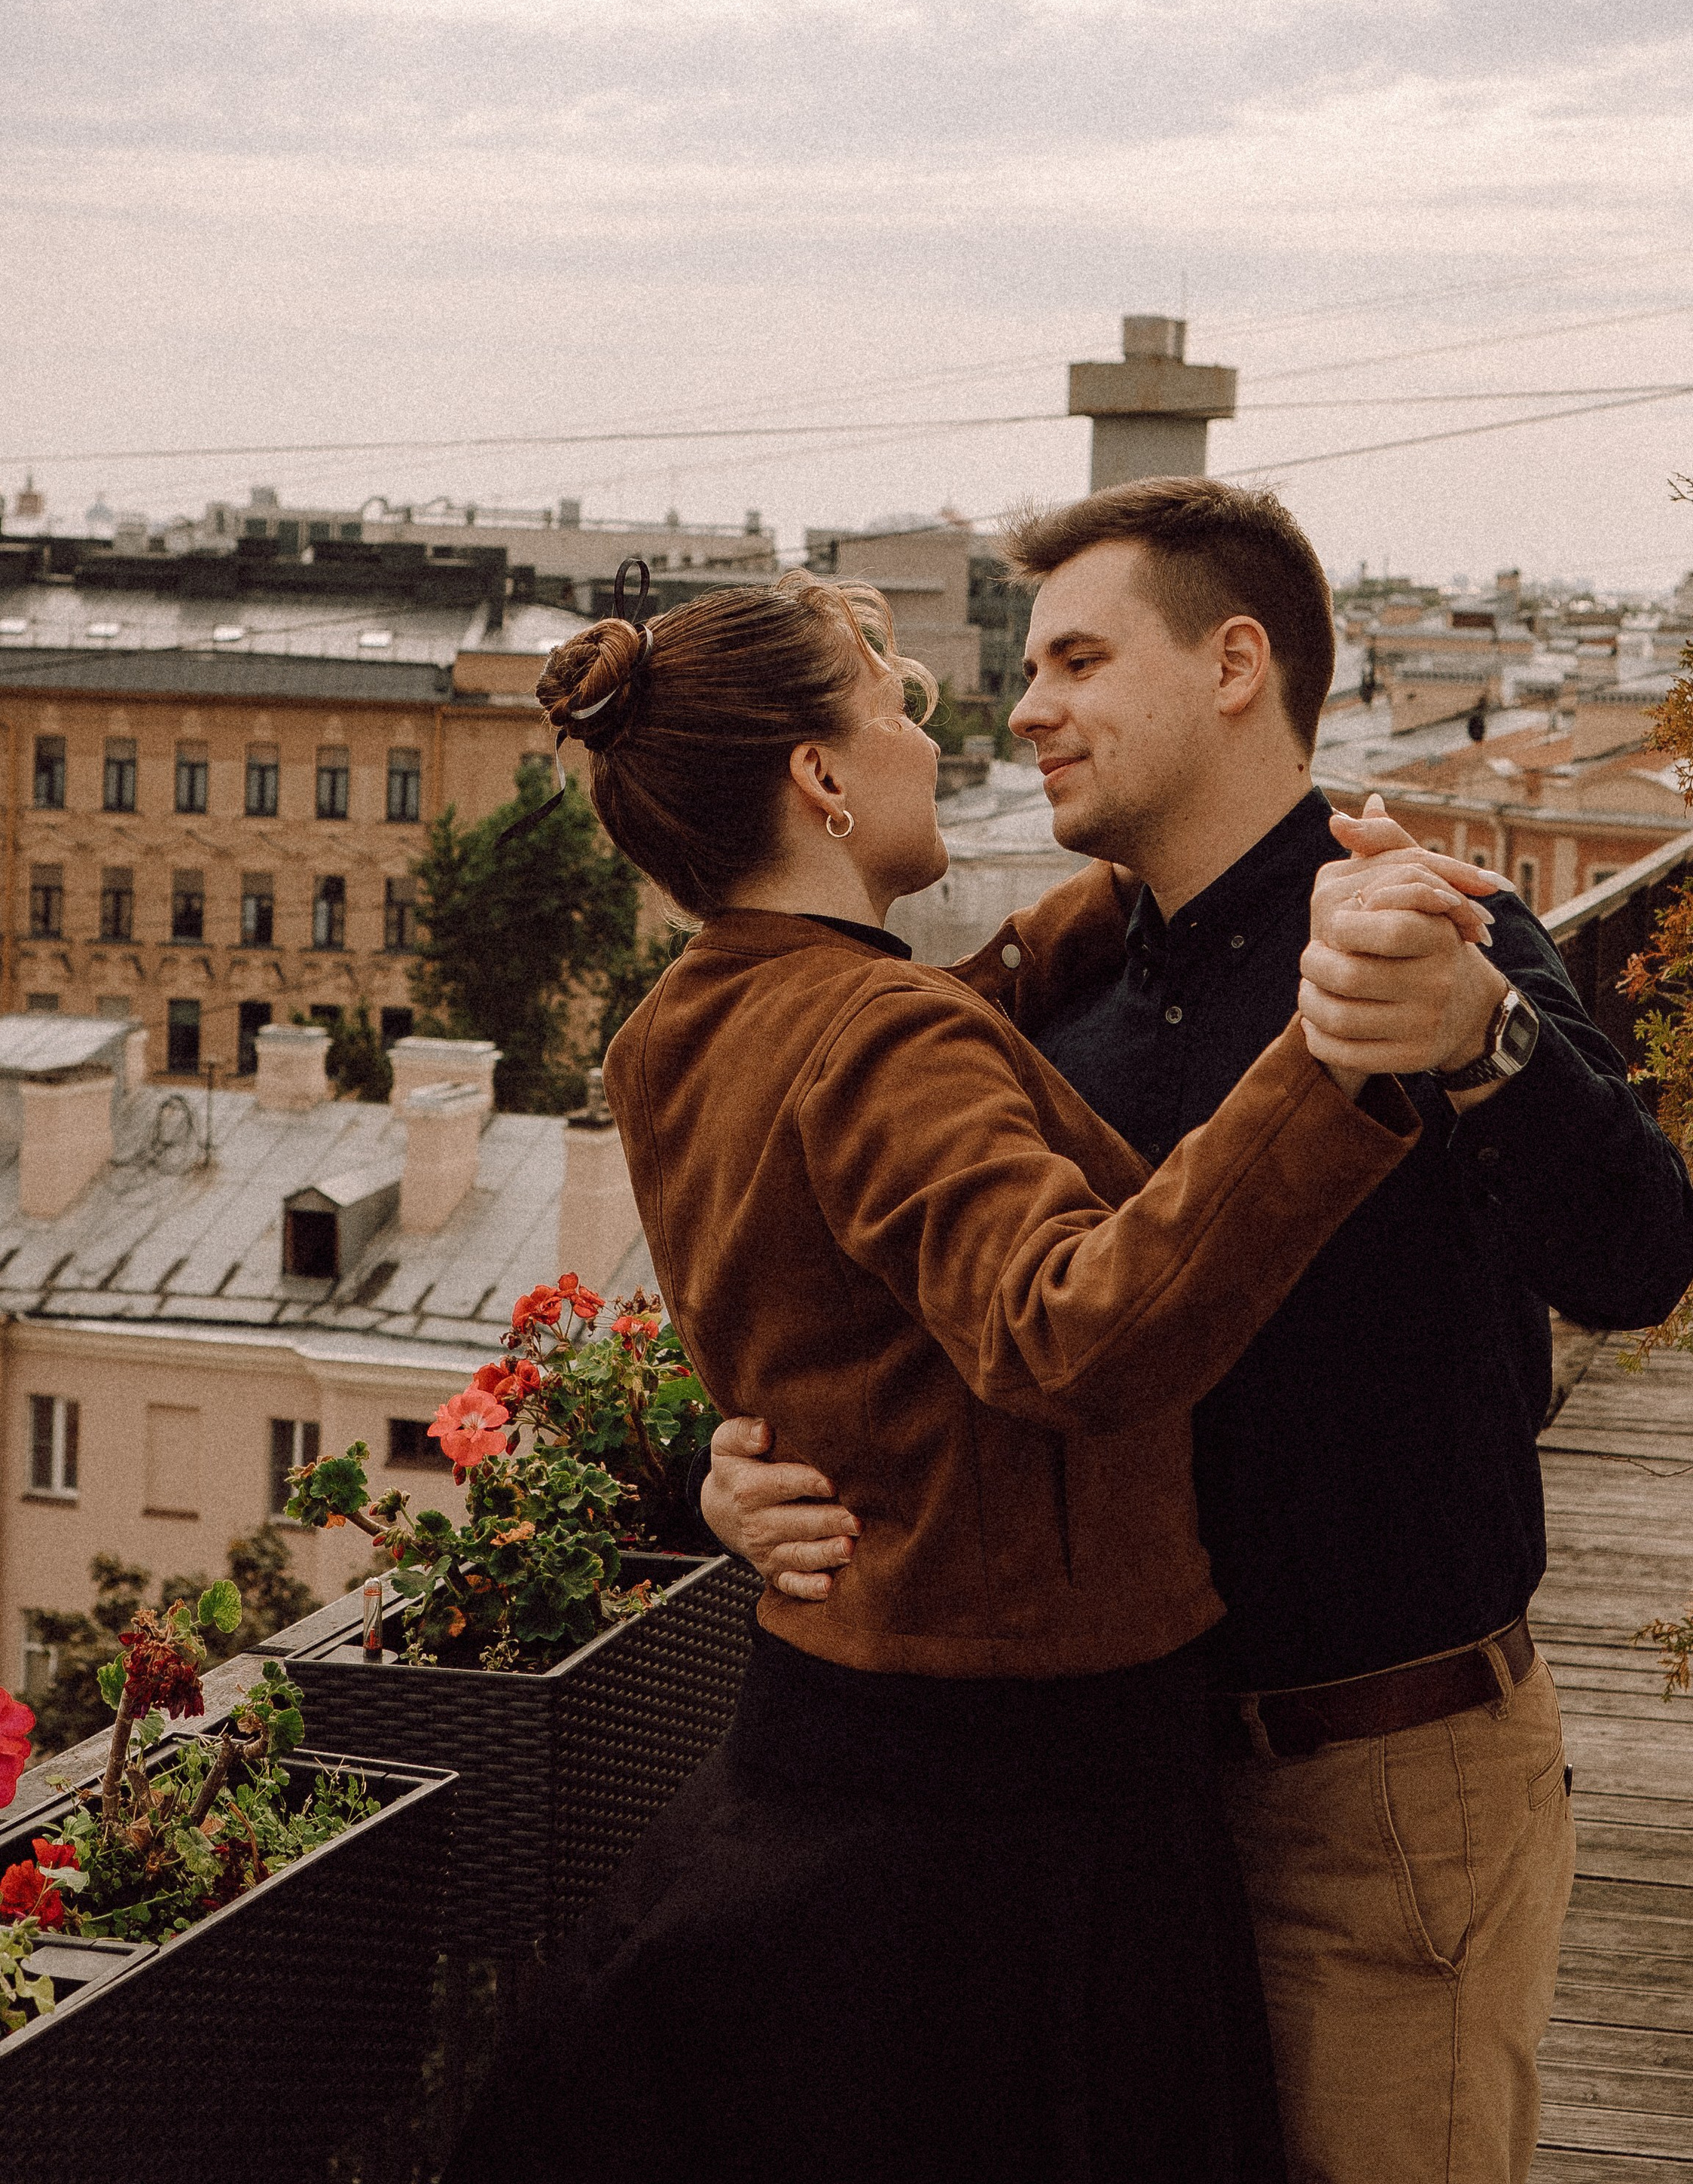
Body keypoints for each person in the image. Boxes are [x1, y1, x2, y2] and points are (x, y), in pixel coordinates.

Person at [702, 481, 1693, 2184]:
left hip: (1375, 1797)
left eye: (1078, 660)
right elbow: (935, 1322)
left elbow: (1641, 1258)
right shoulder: (1071, 997)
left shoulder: (1418, 926)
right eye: (1030, 671)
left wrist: (1481, 1041)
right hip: (1105, 1817)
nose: (1025, 711)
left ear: (1233, 663)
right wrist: (726, 1476)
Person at [453, 564, 1493, 2184]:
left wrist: (1109, 904)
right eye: (897, 711)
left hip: (822, 1747)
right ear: (819, 778)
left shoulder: (678, 1026)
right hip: (1023, 1806)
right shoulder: (880, 1038)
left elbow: (882, 1073)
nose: (934, 745)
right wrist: (1329, 1058)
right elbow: (1067, 1326)